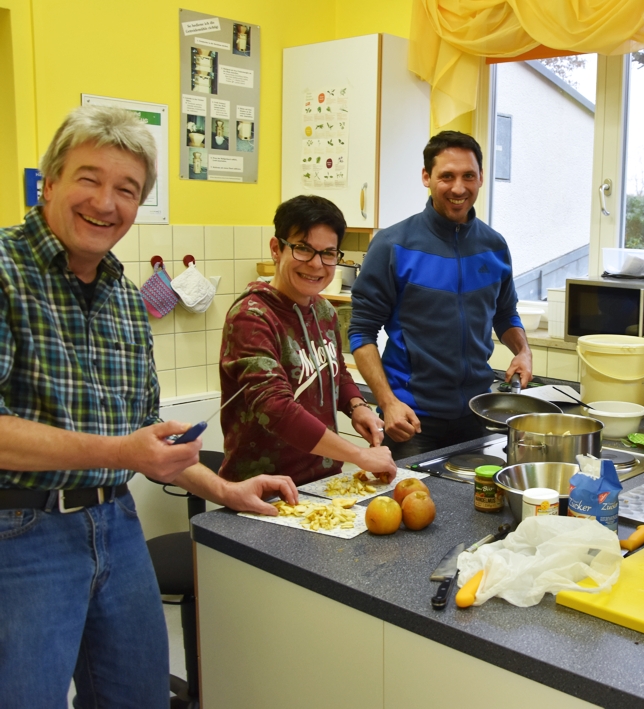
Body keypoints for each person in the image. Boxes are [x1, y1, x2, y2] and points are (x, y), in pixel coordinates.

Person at [0, 105, 297, 707]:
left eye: (126, 189)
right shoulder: (6, 270)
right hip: (20, 531)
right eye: (89, 178)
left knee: (137, 697)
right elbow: (124, 446)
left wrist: (225, 491)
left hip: (115, 523)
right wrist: (120, 451)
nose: (105, 202)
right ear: (50, 181)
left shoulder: (123, 297)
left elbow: (146, 438)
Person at [348, 131, 532, 459]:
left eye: (468, 176)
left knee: (474, 509)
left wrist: (523, 350)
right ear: (426, 177)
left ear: (480, 179)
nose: (458, 188)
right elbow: (361, 332)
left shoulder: (494, 246)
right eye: (446, 176)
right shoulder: (393, 245)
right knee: (411, 509)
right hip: (412, 419)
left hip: (478, 415)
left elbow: (505, 315)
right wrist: (388, 403)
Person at [218, 195, 397, 486]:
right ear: (277, 249)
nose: (316, 265)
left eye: (328, 253)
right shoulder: (251, 318)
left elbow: (334, 372)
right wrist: (359, 456)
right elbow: (276, 409)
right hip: (262, 490)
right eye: (303, 249)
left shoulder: (323, 310)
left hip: (320, 484)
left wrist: (357, 406)